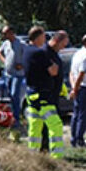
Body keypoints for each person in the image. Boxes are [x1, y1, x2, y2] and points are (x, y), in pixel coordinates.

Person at [24, 27, 67, 158]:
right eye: (43, 36)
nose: (45, 39)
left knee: (35, 127)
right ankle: (56, 157)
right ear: (38, 37)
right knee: (56, 125)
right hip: (44, 96)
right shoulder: (39, 53)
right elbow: (53, 71)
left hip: (31, 94)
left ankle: (33, 156)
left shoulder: (26, 50)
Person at [0, 24, 27, 137]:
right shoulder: (6, 44)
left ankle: (17, 120)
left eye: (6, 33)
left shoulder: (21, 44)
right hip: (7, 74)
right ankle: (12, 119)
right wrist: (4, 60)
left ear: (11, 32)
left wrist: (22, 64)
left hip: (18, 75)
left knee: (15, 95)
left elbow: (28, 55)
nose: (4, 35)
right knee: (10, 95)